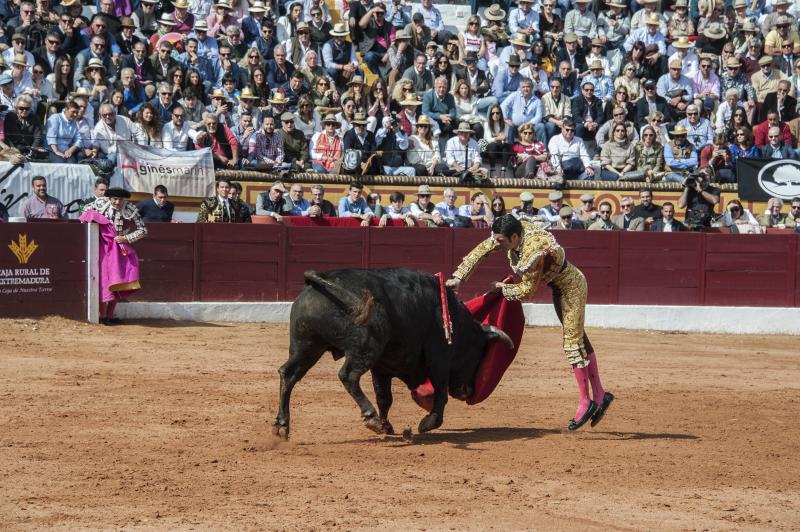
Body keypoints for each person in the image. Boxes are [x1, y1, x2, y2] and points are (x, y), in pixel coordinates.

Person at [446, 215, 613, 431]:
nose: (497, 245)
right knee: (579, 339)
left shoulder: (534, 249)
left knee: (572, 343)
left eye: (501, 242)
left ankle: (586, 400)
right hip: (558, 287)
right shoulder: (510, 231)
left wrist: (501, 287)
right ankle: (600, 395)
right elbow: (483, 249)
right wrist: (459, 278)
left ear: (514, 237)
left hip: (571, 287)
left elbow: (528, 290)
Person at [80, 187, 147, 325]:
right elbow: (83, 215)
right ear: (109, 198)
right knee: (105, 280)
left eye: (120, 199)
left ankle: (109, 315)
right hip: (100, 246)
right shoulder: (99, 204)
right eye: (114, 199)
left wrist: (126, 238)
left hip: (118, 247)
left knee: (117, 280)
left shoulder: (129, 208)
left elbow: (143, 230)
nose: (117, 202)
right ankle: (103, 315)